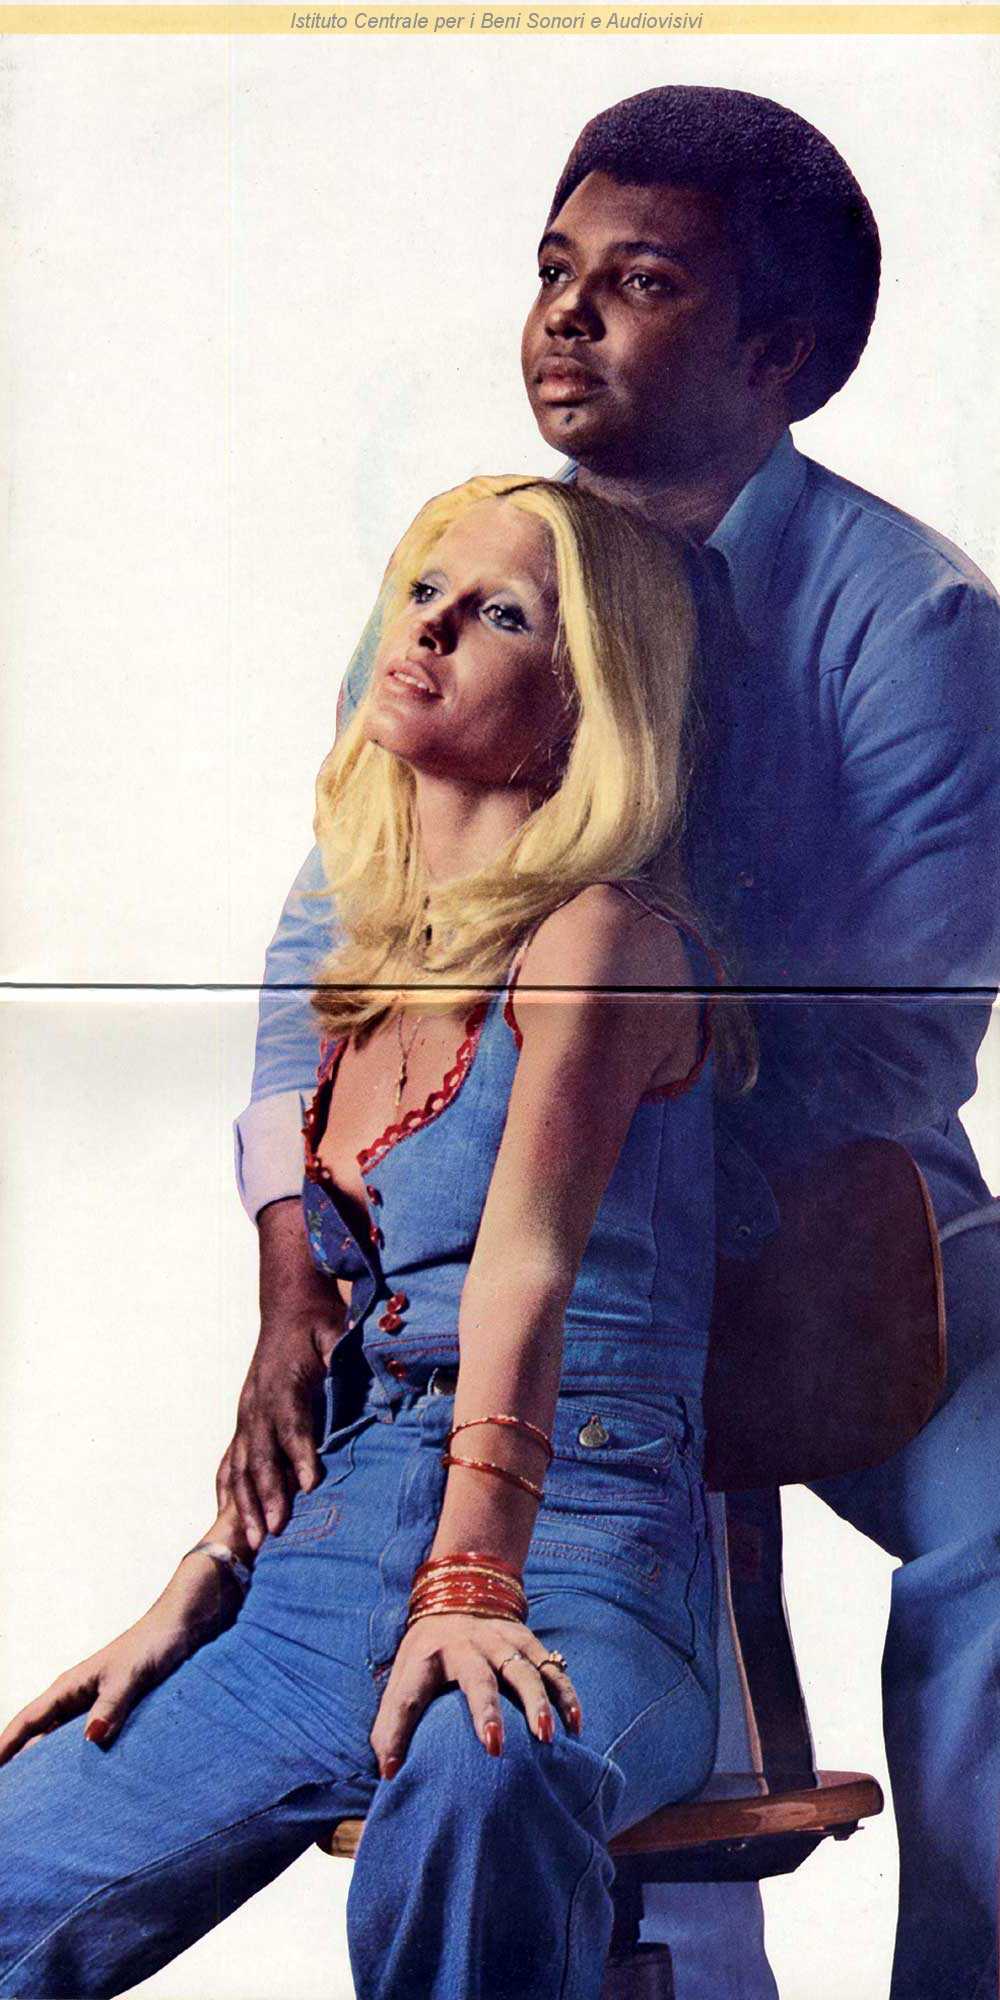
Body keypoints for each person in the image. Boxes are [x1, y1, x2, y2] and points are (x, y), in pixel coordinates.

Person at [231, 87, 1000, 2000]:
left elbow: (897, 1045)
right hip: (476, 1231)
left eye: (639, 283)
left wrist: (602, 1164)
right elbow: (328, 935)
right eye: (553, 269)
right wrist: (292, 1255)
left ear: (780, 354)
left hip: (826, 1234)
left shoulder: (919, 624)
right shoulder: (474, 570)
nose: (566, 316)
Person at [0, 475, 750, 2000]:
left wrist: (470, 1586)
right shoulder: (366, 968)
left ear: (585, 698)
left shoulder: (605, 939)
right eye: (424, 592)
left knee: (484, 1773)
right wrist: (206, 1579)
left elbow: (524, 1272)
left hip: (582, 1552)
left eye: (501, 615)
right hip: (330, 1562)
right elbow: (344, 1344)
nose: (432, 629)